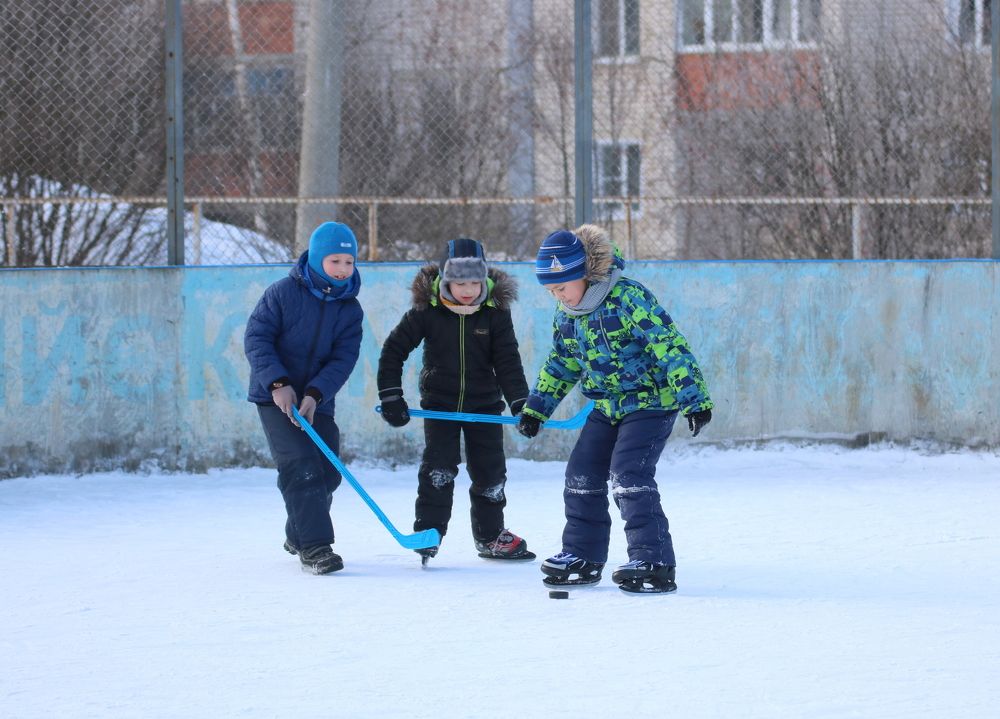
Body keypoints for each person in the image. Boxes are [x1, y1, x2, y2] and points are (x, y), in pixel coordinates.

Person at [517, 225, 713, 594]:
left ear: (584, 274)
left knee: (629, 475)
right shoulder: (567, 315)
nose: (558, 296)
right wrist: (536, 410)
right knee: (581, 473)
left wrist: (695, 399)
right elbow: (561, 363)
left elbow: (668, 344)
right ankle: (583, 556)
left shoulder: (627, 297)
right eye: (551, 291)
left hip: (651, 403)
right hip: (608, 406)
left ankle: (653, 560)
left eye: (562, 287)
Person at [377, 238, 534, 564]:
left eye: (475, 282)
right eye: (460, 282)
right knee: (439, 469)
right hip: (440, 405)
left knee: (491, 473)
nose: (468, 289)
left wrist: (521, 403)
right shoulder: (427, 311)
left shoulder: (494, 313)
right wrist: (391, 395)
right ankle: (428, 532)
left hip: (485, 406)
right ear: (445, 280)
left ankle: (491, 536)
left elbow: (507, 361)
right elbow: (394, 351)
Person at [244, 221, 364, 575]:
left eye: (349, 262)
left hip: (317, 400)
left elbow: (344, 358)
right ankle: (315, 547)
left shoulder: (350, 309)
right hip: (274, 398)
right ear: (316, 259)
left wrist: (315, 393)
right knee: (301, 467)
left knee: (328, 472)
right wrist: (278, 383)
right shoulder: (282, 293)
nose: (343, 269)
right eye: (335, 261)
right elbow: (257, 339)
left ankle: (298, 533)